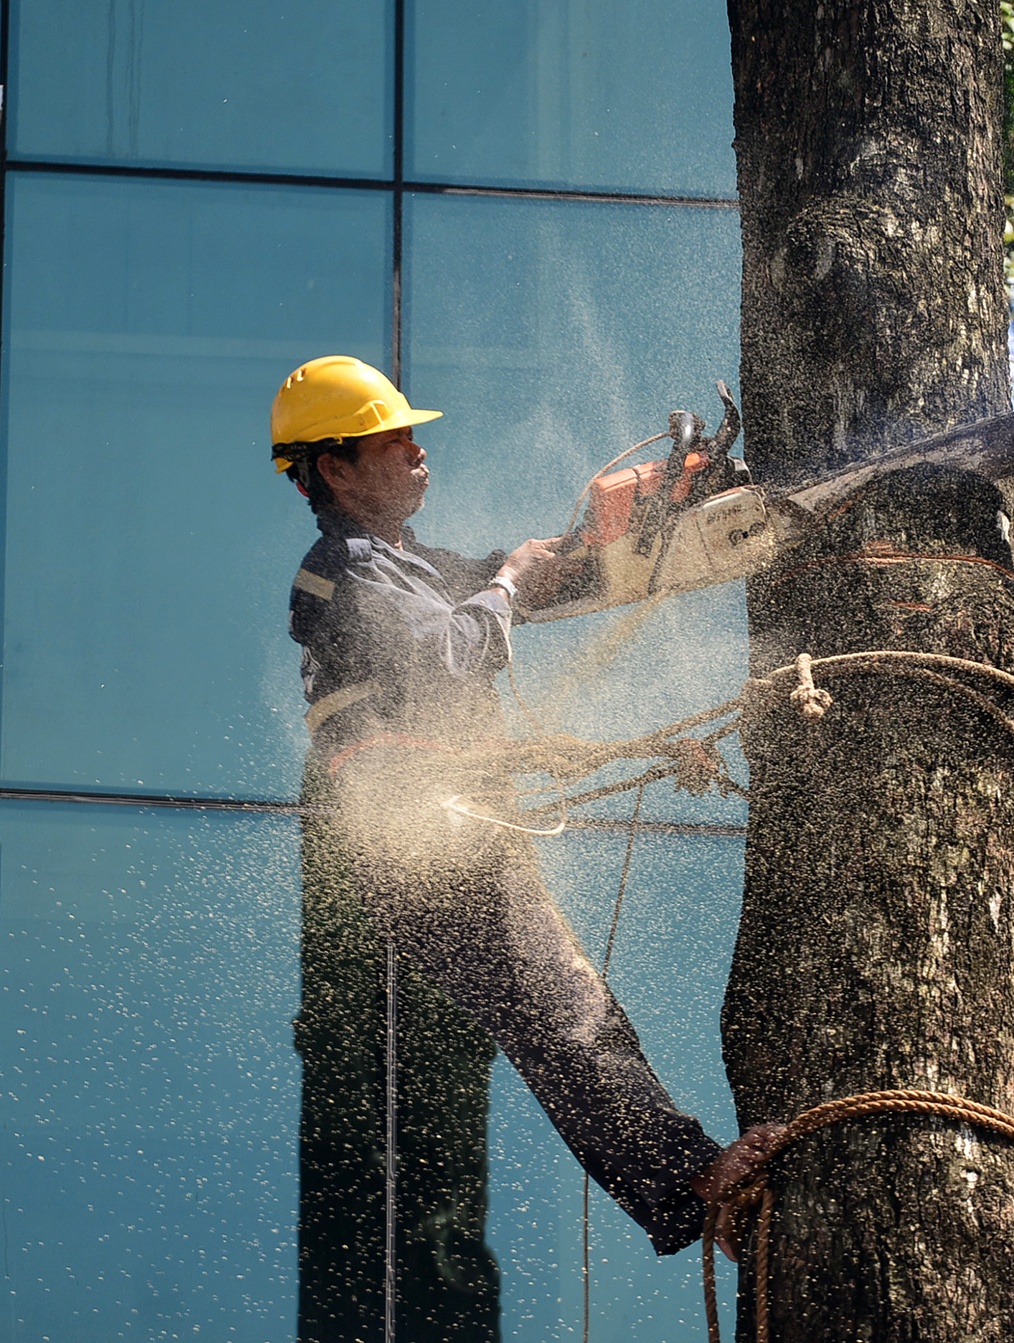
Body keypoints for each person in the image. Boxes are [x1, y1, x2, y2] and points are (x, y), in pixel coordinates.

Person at [273, 355, 764, 1339]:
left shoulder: (409, 562)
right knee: (559, 1007)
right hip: (411, 828)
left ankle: (691, 1184)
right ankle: (698, 1185)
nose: (418, 449)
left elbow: (547, 582)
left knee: (562, 1002)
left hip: (451, 818)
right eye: (394, 438)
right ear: (336, 467)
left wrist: (635, 518)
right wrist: (507, 582)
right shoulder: (342, 572)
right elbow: (453, 648)